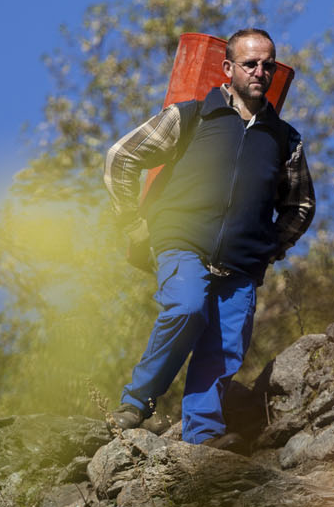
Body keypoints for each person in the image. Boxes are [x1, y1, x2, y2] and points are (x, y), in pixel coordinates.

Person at [103, 28, 315, 448]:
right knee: (186, 306)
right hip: (181, 242)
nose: (260, 72)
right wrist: (130, 221)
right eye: (250, 64)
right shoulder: (192, 116)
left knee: (224, 349)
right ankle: (136, 402)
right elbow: (122, 156)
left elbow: (300, 206)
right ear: (228, 68)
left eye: (267, 65)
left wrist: (269, 247)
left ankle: (202, 438)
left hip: (243, 264)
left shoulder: (285, 139)